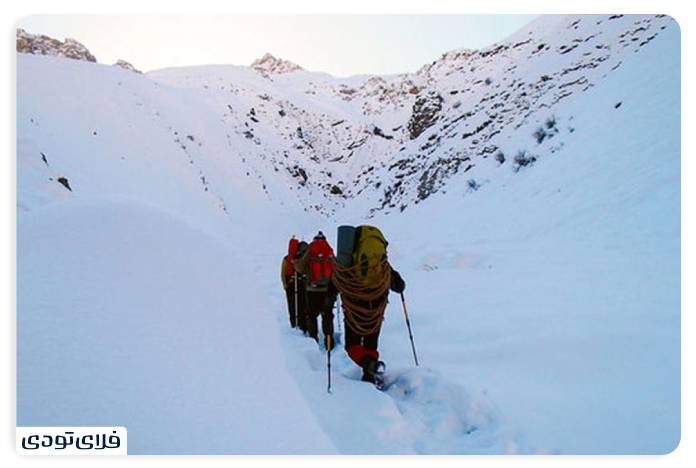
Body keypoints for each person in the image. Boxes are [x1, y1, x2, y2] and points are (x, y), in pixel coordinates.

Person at [331, 225, 405, 385]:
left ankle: (368, 365)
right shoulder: (381, 265)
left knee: (352, 345)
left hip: (354, 307)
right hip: (376, 307)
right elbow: (399, 285)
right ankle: (369, 375)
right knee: (371, 343)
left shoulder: (349, 263)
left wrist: (328, 301)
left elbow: (337, 280)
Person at [293, 231, 336, 350]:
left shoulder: (311, 249)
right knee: (327, 315)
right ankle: (329, 342)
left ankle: (313, 341)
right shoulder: (329, 249)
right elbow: (336, 268)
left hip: (312, 289)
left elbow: (300, 267)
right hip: (327, 289)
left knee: (312, 315)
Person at [281, 238, 309, 332]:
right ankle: (304, 326)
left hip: (290, 285)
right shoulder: (306, 258)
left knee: (292, 306)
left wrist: (285, 286)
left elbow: (283, 273)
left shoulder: (288, 258)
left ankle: (294, 325)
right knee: (304, 305)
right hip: (303, 285)